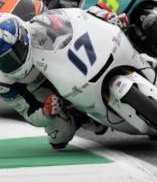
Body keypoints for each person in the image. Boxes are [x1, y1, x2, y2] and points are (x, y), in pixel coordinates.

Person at [0, 13, 107, 149]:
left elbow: (76, 17)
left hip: (64, 61)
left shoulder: (38, 27)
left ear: (23, 38)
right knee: (58, 136)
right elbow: (27, 111)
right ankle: (79, 116)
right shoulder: (3, 83)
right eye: (2, 61)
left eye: (14, 53)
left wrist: (101, 14)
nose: (12, 62)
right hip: (39, 89)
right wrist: (45, 111)